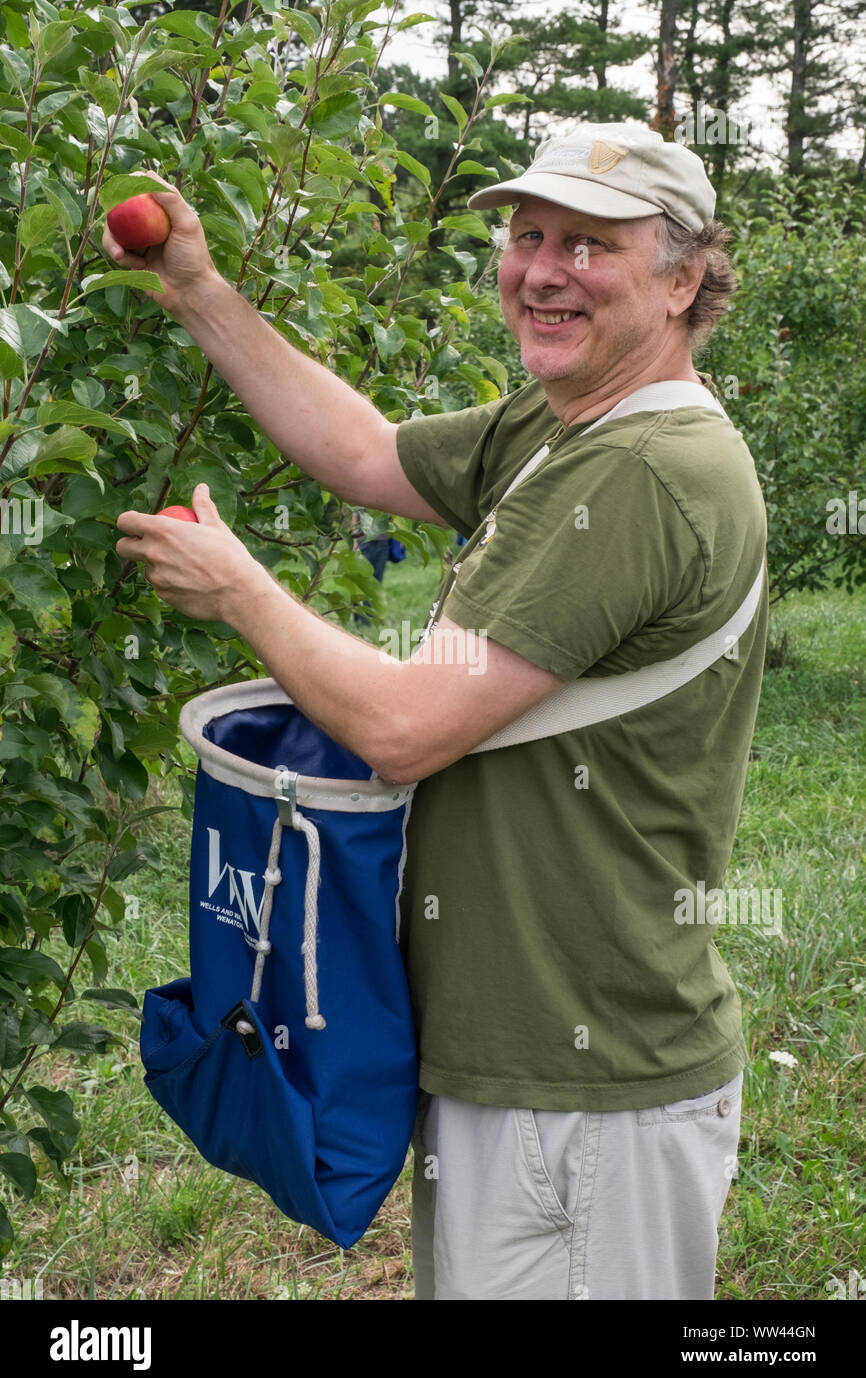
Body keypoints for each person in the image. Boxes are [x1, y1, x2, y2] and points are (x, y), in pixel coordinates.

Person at [108, 120, 768, 1301]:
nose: (542, 270)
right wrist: (200, 293)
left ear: (681, 278)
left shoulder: (642, 475)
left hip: (581, 1084)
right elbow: (364, 452)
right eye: (527, 237)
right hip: (514, 1060)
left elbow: (405, 726)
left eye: (589, 246)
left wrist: (240, 589)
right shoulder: (566, 426)